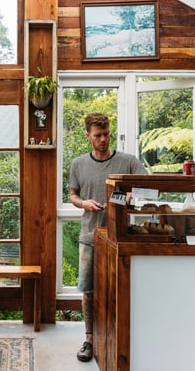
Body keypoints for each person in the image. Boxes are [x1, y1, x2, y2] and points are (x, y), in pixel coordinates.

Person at [69, 113, 147, 362]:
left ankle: (116, 339)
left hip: (121, 239)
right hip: (89, 237)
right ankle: (90, 339)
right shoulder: (78, 164)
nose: (103, 139)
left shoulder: (128, 161)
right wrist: (84, 203)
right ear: (88, 136)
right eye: (97, 135)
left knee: (119, 289)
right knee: (88, 290)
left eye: (106, 134)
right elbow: (72, 195)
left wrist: (128, 198)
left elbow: (146, 188)